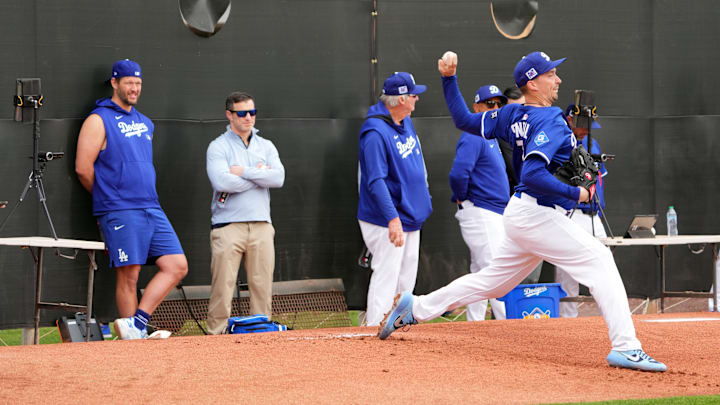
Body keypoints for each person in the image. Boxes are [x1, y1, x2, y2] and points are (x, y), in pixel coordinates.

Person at [378, 51, 667, 372]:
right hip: (536, 214)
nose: (557, 79)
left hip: (523, 214)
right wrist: (577, 192)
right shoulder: (551, 119)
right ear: (532, 82)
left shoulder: (509, 114)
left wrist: (449, 79)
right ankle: (627, 347)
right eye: (550, 74)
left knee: (493, 283)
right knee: (600, 260)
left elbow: (462, 119)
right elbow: (532, 174)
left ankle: (415, 307)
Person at [75, 59, 188, 340]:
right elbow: (82, 168)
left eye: (138, 83)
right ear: (115, 83)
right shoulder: (98, 119)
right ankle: (132, 345)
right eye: (129, 83)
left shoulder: (145, 122)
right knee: (130, 273)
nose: (134, 88)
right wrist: (108, 197)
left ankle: (137, 323)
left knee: (177, 265)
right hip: (119, 209)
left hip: (151, 206)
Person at [205, 92, 285, 334]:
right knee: (223, 286)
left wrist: (243, 172)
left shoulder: (266, 145)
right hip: (228, 226)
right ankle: (216, 333)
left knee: (262, 285)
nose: (249, 117)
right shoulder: (218, 146)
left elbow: (278, 178)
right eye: (242, 113)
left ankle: (261, 332)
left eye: (252, 112)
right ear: (229, 115)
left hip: (261, 224)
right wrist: (260, 175)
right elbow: (222, 182)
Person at [357, 72, 433, 326]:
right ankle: (374, 326)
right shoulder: (375, 132)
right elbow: (375, 181)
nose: (417, 99)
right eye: (413, 95)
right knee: (387, 274)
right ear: (400, 99)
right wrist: (392, 218)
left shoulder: (404, 120)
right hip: (386, 217)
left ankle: (399, 322)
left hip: (410, 215)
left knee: (406, 278)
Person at [449, 84, 508, 321]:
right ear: (476, 107)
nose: (495, 108)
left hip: (492, 212)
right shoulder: (474, 133)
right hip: (481, 210)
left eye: (499, 104)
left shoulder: (489, 134)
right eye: (489, 104)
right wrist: (463, 197)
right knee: (497, 273)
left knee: (481, 272)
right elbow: (458, 173)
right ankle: (509, 327)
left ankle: (474, 325)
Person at [555, 104, 608, 318]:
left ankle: (608, 317)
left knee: (605, 264)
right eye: (584, 125)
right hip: (571, 212)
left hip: (594, 215)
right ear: (570, 120)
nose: (587, 129)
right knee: (569, 272)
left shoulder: (591, 142)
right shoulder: (562, 141)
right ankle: (568, 320)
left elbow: (600, 179)